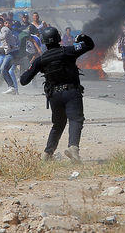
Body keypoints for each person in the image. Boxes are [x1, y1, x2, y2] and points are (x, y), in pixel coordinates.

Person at [20, 27, 94, 162]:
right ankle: (73, 149)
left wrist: (32, 67)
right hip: (71, 92)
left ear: (44, 42)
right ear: (58, 39)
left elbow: (24, 80)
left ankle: (47, 154)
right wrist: (81, 37)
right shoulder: (68, 51)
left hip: (54, 96)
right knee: (76, 119)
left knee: (58, 124)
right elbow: (89, 45)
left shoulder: (41, 60)